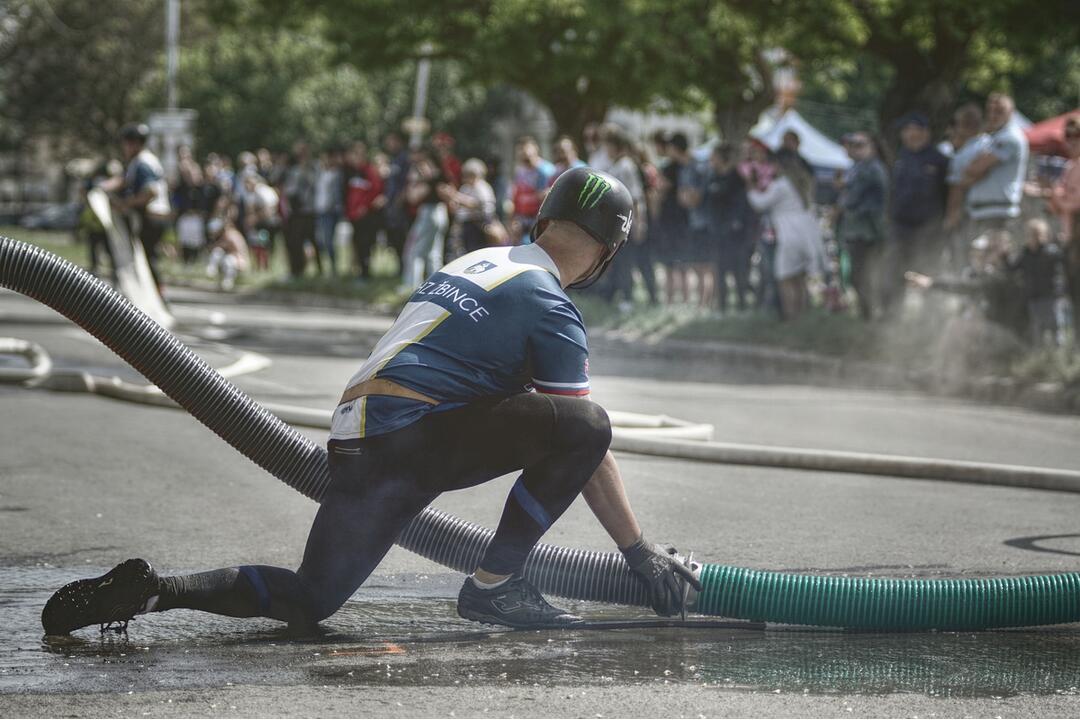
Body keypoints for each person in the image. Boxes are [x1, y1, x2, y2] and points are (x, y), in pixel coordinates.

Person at [41, 167, 701, 637]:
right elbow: (582, 441)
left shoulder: (483, 260)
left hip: (360, 440)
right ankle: (497, 586)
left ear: (541, 219)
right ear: (607, 254)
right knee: (588, 425)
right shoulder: (551, 305)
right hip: (413, 437)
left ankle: (160, 589)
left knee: (311, 599)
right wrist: (638, 553)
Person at [884, 112, 949, 317]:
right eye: (904, 131)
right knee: (894, 271)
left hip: (928, 229)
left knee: (925, 271)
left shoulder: (939, 160)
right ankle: (892, 316)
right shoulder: (901, 157)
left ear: (923, 132)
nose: (906, 134)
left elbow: (948, 195)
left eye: (909, 129)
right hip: (900, 226)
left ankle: (928, 319)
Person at [747, 150, 826, 320]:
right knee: (799, 277)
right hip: (807, 233)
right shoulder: (803, 182)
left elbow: (760, 203)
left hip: (789, 233)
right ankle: (804, 315)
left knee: (785, 277)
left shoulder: (781, 185)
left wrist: (751, 188)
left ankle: (791, 316)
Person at [107, 123, 172, 292]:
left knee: (145, 258)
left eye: (126, 143)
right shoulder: (143, 160)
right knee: (147, 257)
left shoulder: (143, 162)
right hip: (158, 215)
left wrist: (126, 204)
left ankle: (155, 294)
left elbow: (150, 191)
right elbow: (123, 181)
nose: (124, 148)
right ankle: (154, 292)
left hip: (152, 216)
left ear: (133, 143)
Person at [958, 94, 1029, 240]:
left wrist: (974, 170)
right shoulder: (993, 137)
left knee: (993, 260)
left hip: (998, 213)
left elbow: (974, 169)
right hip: (983, 211)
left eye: (999, 111)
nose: (993, 115)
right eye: (990, 110)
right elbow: (967, 172)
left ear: (1011, 112)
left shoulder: (1010, 137)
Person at [835, 132, 888, 321]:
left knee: (864, 275)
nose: (852, 149)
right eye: (850, 145)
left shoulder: (871, 168)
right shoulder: (858, 168)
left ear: (872, 147)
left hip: (869, 232)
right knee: (858, 275)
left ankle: (872, 315)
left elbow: (855, 200)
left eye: (859, 145)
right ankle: (867, 314)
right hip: (858, 230)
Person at [705, 143, 755, 314]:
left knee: (739, 270)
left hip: (736, 235)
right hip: (717, 233)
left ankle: (742, 306)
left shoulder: (737, 179)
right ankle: (722, 307)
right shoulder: (712, 177)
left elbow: (742, 207)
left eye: (714, 157)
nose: (711, 160)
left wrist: (735, 224)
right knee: (720, 272)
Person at [944, 103, 991, 271]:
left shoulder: (966, 152)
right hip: (982, 208)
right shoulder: (988, 143)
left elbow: (957, 188)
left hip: (968, 211)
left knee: (964, 254)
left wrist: (952, 214)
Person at [1006, 218, 1064, 346]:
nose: (1033, 238)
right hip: (1033, 298)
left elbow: (1063, 262)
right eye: (1030, 235)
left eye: (1036, 234)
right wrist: (1004, 256)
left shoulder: (1051, 252)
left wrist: (1062, 244)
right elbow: (1012, 268)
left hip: (1050, 296)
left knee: (1056, 331)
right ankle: (1041, 361)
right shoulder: (1025, 254)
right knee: (1038, 333)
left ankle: (1060, 359)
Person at [399, 147, 449, 291]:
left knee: (415, 251)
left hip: (429, 213)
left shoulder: (431, 180)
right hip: (440, 213)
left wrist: (412, 183)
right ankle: (436, 287)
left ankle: (411, 286)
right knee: (434, 253)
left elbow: (413, 198)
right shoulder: (441, 177)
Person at [656, 132, 692, 304]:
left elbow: (661, 188)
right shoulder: (684, 166)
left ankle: (676, 299)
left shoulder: (674, 167)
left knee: (677, 263)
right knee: (674, 262)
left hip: (677, 218)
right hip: (675, 218)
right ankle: (675, 299)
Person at [342, 142, 386, 281]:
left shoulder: (369, 171)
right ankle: (359, 271)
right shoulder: (351, 172)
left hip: (366, 216)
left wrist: (365, 208)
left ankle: (365, 274)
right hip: (354, 216)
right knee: (357, 244)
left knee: (365, 244)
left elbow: (376, 191)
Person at [444, 158, 500, 254]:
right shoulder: (465, 188)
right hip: (466, 225)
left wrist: (456, 196)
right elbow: (457, 206)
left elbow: (478, 204)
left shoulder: (482, 187)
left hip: (480, 225)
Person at [282, 141, 319, 278]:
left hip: (309, 210)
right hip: (295, 211)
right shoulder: (293, 169)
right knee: (294, 241)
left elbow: (315, 183)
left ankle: (320, 270)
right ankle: (297, 270)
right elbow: (289, 188)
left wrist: (306, 170)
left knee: (314, 242)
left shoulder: (314, 167)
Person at [510, 137, 556, 244]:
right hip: (522, 220)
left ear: (536, 151)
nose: (525, 158)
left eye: (527, 156)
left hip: (540, 221)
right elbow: (516, 197)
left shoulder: (547, 171)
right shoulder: (520, 172)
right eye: (521, 156)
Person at [313, 147, 344, 277]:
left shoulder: (337, 174)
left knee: (328, 240)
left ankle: (333, 269)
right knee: (319, 240)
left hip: (330, 211)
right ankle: (322, 268)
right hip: (319, 210)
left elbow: (337, 194)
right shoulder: (320, 173)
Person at [204, 217, 249, 292]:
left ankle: (228, 281)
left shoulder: (232, 235)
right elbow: (217, 247)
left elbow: (240, 252)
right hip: (230, 258)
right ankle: (212, 269)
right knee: (217, 252)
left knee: (227, 260)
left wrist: (240, 262)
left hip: (238, 260)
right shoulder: (224, 236)